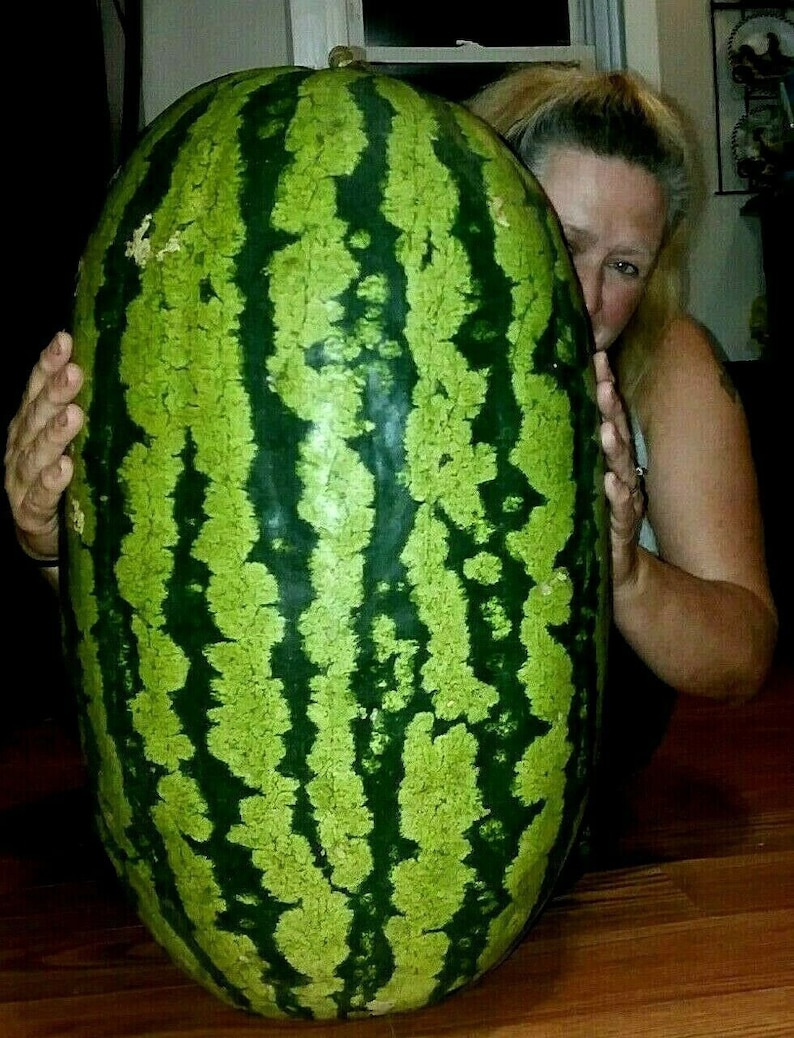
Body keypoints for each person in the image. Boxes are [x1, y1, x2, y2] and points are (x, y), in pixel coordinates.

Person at [4, 65, 778, 858]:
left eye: (626, 266)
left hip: (575, 814)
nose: (585, 295)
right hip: (318, 824)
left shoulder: (670, 363)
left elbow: (744, 654)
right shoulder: (350, 365)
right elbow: (204, 618)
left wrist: (626, 574)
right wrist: (52, 541)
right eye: (564, 241)